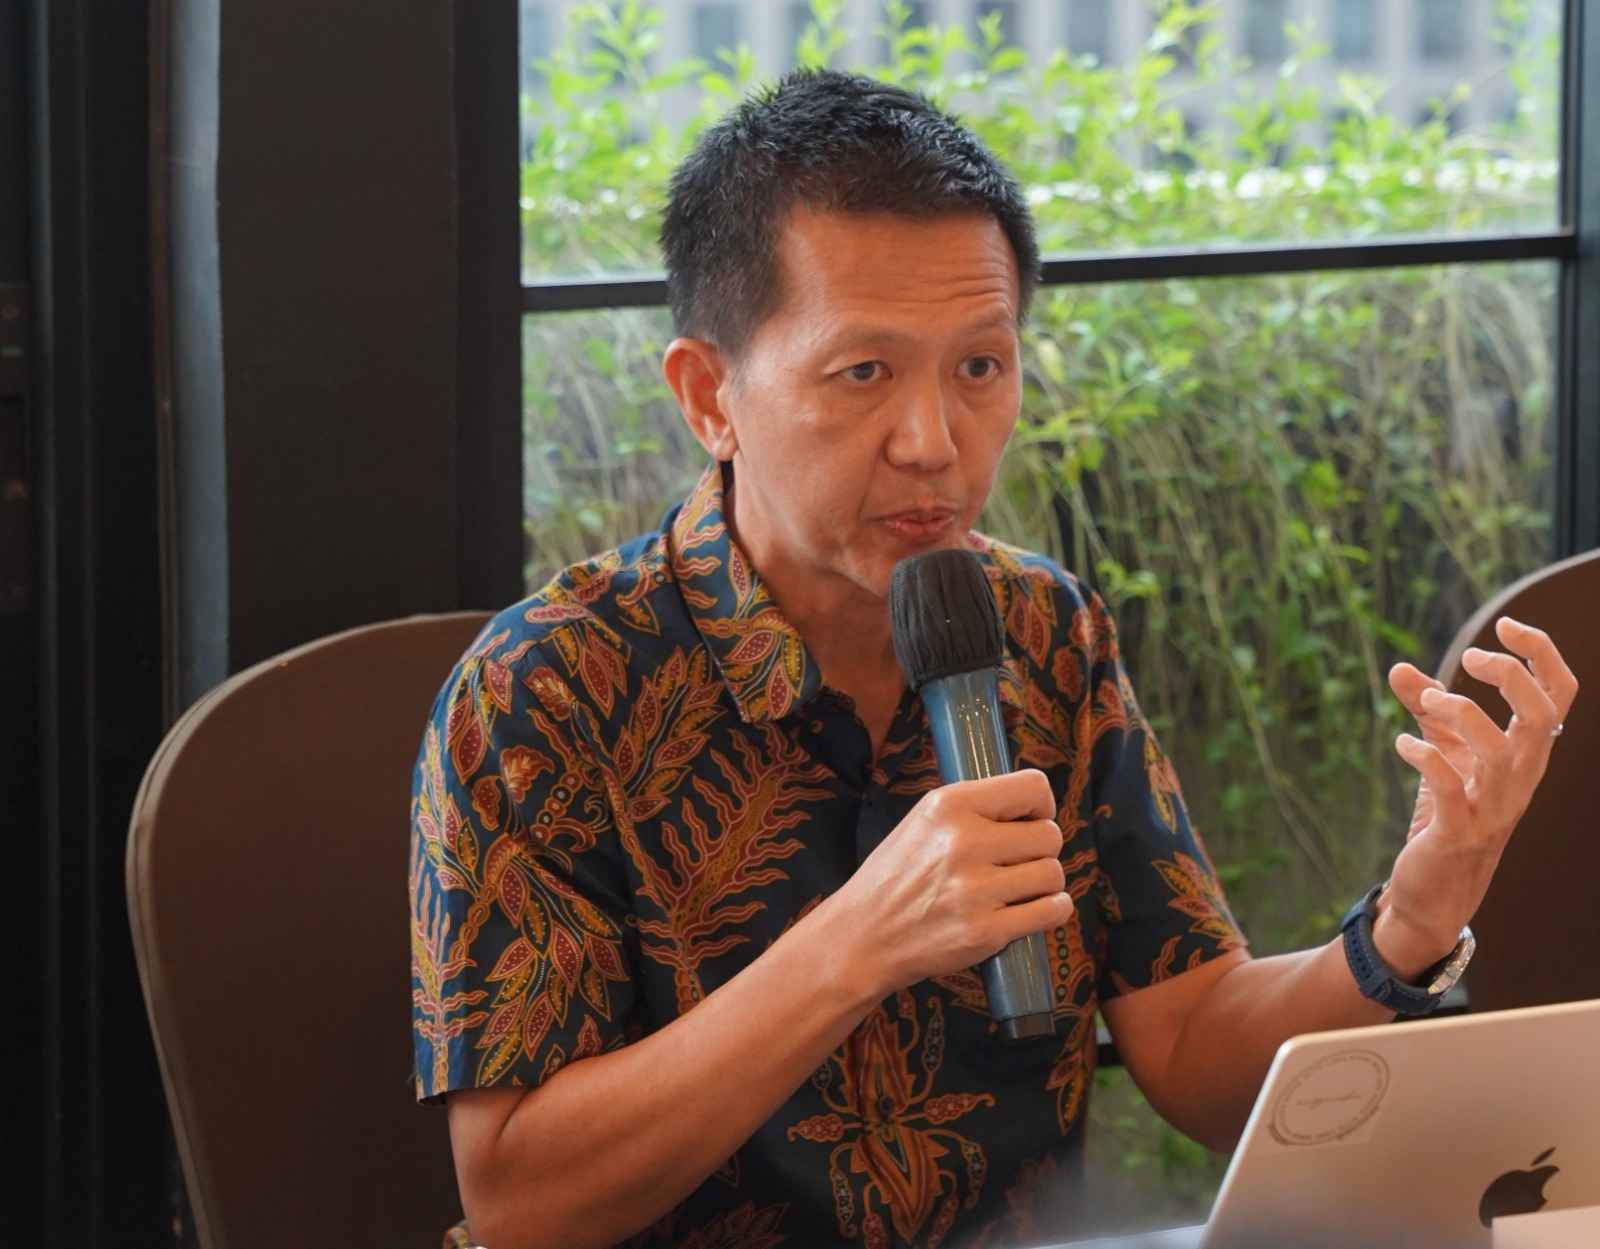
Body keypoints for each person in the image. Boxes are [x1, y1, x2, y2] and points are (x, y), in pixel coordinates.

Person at [409, 69, 1579, 1249]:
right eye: (863, 372)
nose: (934, 444)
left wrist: (1408, 922)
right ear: (709, 395)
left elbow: (1193, 1051)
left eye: (979, 367)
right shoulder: (541, 686)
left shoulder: (1042, 628)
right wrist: (857, 942)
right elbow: (521, 1199)